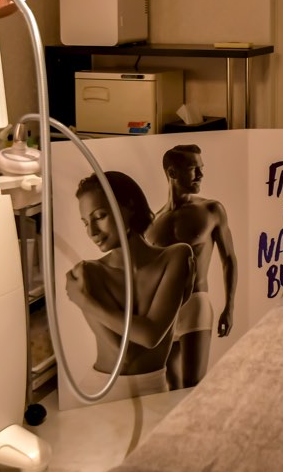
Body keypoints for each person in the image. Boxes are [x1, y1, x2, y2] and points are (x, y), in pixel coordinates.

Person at [65, 171, 194, 401]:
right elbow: (124, 355)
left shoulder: (177, 256)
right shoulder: (88, 272)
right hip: (103, 392)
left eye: (100, 216)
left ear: (130, 207)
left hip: (156, 388)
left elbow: (151, 336)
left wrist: (84, 301)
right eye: (85, 223)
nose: (92, 232)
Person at [146, 144, 237, 390]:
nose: (201, 175)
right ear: (172, 173)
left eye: (201, 168)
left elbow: (228, 259)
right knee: (171, 386)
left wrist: (229, 307)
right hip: (162, 312)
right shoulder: (153, 223)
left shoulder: (211, 210)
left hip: (196, 303)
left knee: (193, 385)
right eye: (193, 169)